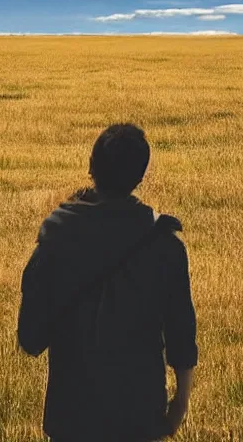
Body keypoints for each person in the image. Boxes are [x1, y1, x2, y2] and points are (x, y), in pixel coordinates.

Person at [17, 124, 198, 442]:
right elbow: (181, 333)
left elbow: (30, 338)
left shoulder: (55, 239)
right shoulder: (165, 245)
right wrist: (179, 404)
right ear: (140, 177)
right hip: (140, 416)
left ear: (91, 167)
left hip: (70, 415)